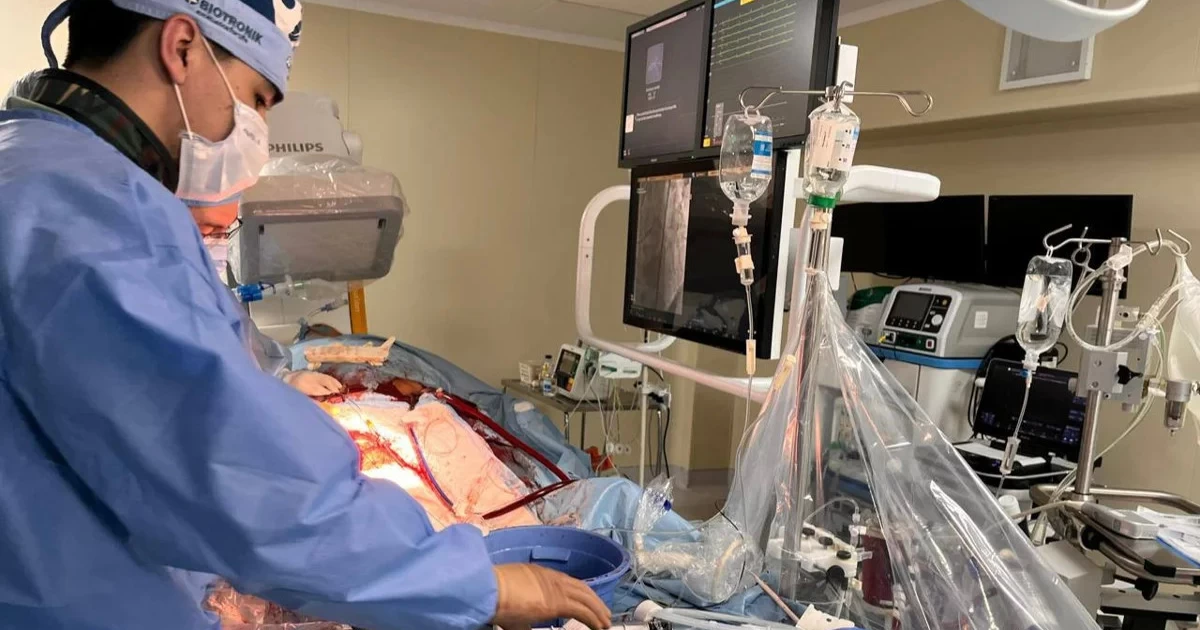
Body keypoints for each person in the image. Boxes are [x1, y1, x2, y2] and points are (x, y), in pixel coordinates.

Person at [0, 1, 612, 629]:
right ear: (181, 47)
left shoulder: (31, 166)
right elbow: (250, 486)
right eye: (257, 100)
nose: (258, 131)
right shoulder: (96, 214)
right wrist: (475, 585)